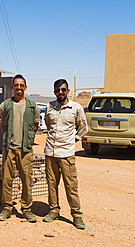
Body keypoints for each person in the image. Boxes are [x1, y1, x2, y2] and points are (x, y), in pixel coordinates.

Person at [43, 79, 88, 229]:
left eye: (63, 90)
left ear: (68, 91)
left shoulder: (75, 108)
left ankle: (77, 215)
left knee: (71, 186)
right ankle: (54, 210)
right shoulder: (49, 107)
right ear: (54, 91)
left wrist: (73, 140)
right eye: (57, 90)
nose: (60, 92)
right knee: (51, 184)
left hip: (67, 154)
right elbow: (48, 124)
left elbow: (83, 128)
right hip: (50, 152)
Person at [0, 74, 40, 222]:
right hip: (9, 149)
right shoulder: (5, 105)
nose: (19, 88)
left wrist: (25, 140)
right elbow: (3, 126)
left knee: (27, 180)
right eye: (16, 85)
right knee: (7, 180)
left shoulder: (33, 106)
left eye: (21, 85)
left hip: (25, 150)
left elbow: (34, 127)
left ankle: (26, 209)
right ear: (12, 87)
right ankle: (7, 208)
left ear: (25, 87)